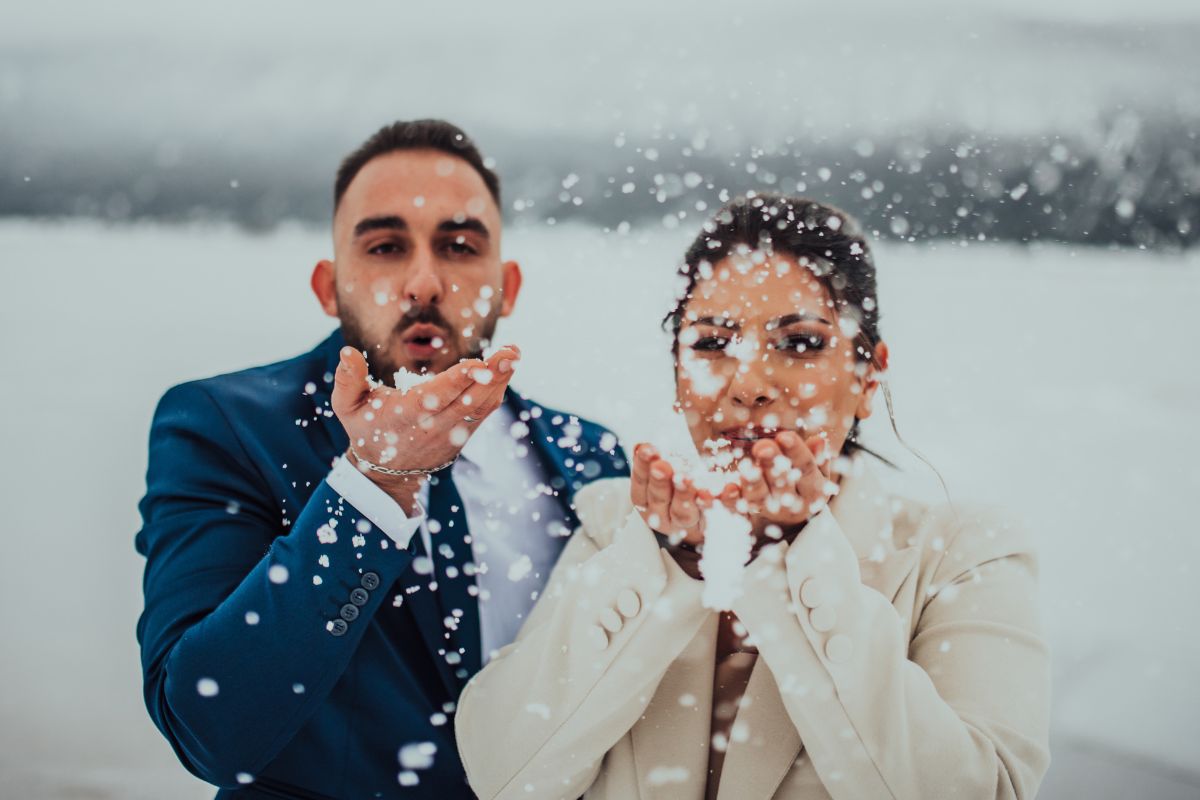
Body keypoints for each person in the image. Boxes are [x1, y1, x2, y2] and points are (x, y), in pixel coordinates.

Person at [455, 193, 1052, 799]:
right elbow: (506, 776)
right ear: (677, 377)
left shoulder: (960, 554)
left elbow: (982, 790)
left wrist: (798, 556)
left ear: (869, 377)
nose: (747, 386)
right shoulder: (617, 524)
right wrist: (674, 562)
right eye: (712, 343)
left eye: (798, 344)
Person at [135, 119, 627, 799]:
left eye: (458, 245)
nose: (424, 282)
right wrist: (372, 485)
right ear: (329, 284)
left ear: (507, 286)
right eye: (386, 246)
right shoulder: (228, 427)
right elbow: (208, 728)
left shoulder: (589, 454)